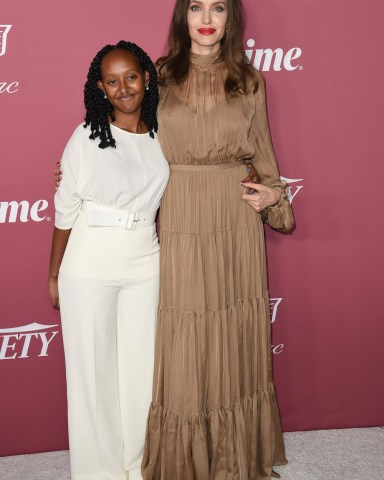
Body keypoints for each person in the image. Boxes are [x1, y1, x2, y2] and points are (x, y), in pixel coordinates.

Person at [141, 1, 295, 479]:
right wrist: (80, 167)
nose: (206, 17)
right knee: (185, 332)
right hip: (182, 210)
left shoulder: (249, 80)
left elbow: (264, 151)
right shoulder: (158, 76)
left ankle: (235, 456)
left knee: (234, 331)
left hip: (234, 215)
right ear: (181, 16)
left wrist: (274, 196)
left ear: (230, 19)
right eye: (195, 6)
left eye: (218, 7)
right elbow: (127, 143)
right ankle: (187, 460)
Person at [48, 40, 169, 480]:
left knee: (141, 373)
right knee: (93, 377)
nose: (123, 88)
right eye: (112, 81)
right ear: (100, 88)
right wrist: (53, 272)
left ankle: (138, 468)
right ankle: (99, 473)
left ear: (147, 78)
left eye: (131, 77)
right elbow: (65, 208)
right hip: (89, 262)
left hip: (145, 262)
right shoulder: (85, 136)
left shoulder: (164, 133)